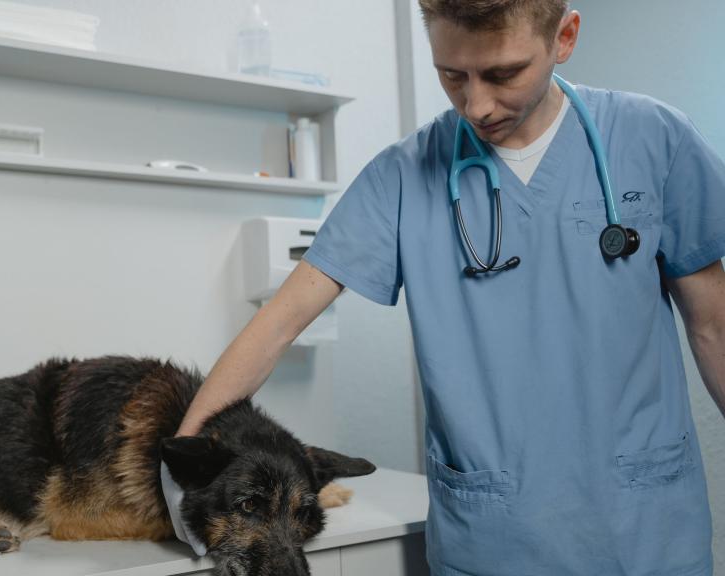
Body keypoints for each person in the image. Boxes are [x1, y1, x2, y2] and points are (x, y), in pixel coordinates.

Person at [172, 0, 725, 574]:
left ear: (565, 37)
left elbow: (713, 326)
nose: (477, 105)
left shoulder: (653, 139)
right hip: (492, 541)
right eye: (452, 75)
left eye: (503, 73)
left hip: (645, 533)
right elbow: (278, 324)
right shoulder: (403, 175)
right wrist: (181, 464)